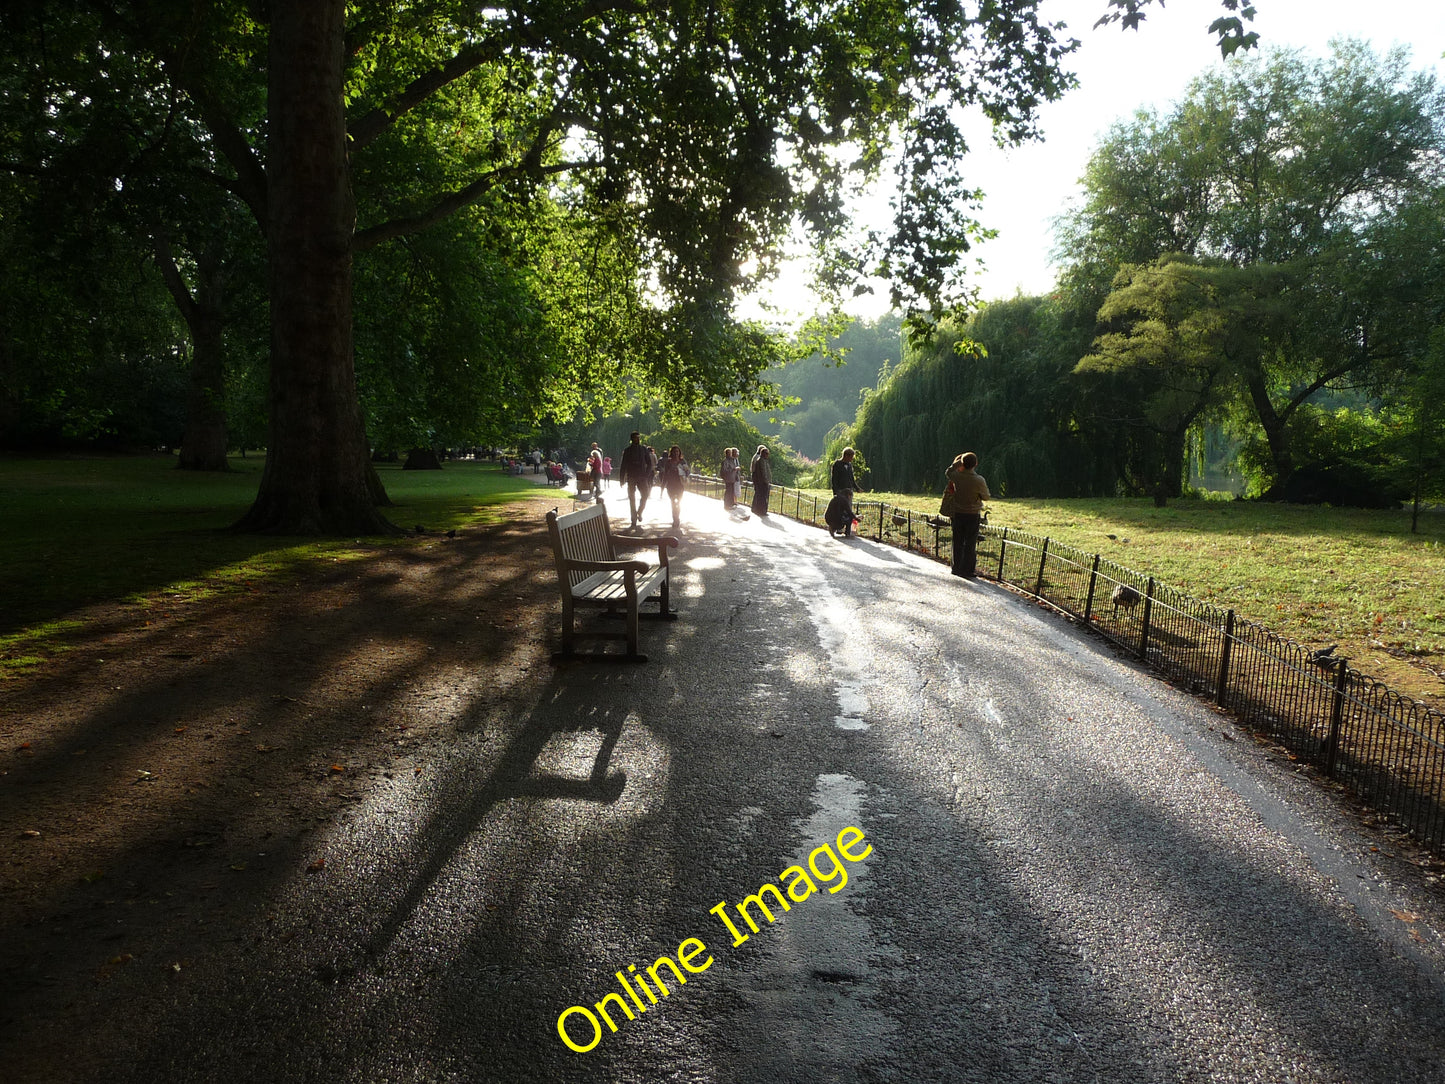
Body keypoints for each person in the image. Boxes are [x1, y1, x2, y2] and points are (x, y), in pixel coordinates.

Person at [944, 451, 991, 579]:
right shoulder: (979, 480)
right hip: (972, 514)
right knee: (970, 542)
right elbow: (986, 497)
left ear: (963, 463)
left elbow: (948, 472)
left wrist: (957, 462)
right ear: (976, 464)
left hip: (958, 513)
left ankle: (956, 568)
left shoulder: (957, 477)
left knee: (957, 541)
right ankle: (968, 570)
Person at [618, 432, 654, 527]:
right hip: (631, 477)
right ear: (631, 439)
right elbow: (623, 465)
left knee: (645, 495)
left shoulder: (644, 450)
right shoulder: (627, 451)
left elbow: (650, 463)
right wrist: (622, 479)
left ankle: (639, 511)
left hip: (642, 476)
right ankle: (633, 518)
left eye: (638, 438)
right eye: (635, 438)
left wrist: (646, 475)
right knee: (632, 498)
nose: (637, 439)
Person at [828, 446, 858, 537]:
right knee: (839, 510)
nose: (852, 459)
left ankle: (847, 529)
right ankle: (835, 527)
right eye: (851, 457)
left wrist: (856, 488)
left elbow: (852, 478)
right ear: (846, 456)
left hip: (848, 491)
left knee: (848, 509)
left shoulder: (849, 465)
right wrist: (836, 492)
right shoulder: (837, 464)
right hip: (840, 491)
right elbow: (834, 479)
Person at [659, 445, 690, 528]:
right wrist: (663, 485)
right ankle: (675, 518)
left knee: (679, 502)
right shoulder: (668, 463)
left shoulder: (682, 461)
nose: (676, 453)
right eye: (674, 452)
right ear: (671, 453)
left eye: (677, 452)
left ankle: (677, 516)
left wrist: (684, 474)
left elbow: (687, 471)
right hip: (671, 485)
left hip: (680, 485)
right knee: (673, 502)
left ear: (679, 453)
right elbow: (665, 474)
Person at [750, 445, 772, 517]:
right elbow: (763, 472)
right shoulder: (761, 461)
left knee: (760, 496)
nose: (768, 455)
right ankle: (761, 510)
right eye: (767, 453)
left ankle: (758, 509)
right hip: (762, 482)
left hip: (762, 482)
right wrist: (766, 481)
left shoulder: (763, 460)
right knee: (762, 497)